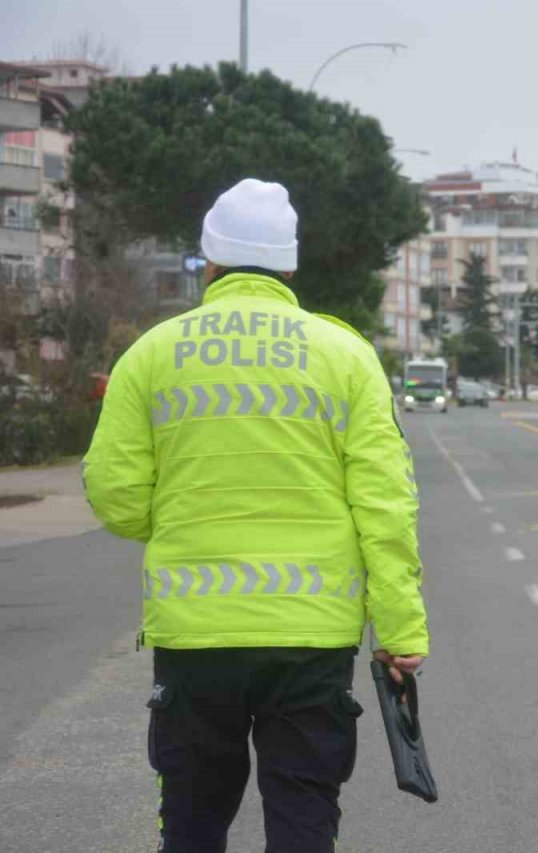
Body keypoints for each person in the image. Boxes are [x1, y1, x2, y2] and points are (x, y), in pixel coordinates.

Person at [83, 178, 429, 852]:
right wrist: (400, 628)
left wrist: (186, 520)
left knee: (191, 822)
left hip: (195, 640)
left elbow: (115, 493)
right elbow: (386, 505)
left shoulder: (151, 355)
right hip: (310, 641)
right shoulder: (347, 358)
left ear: (208, 261)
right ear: (290, 266)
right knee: (303, 817)